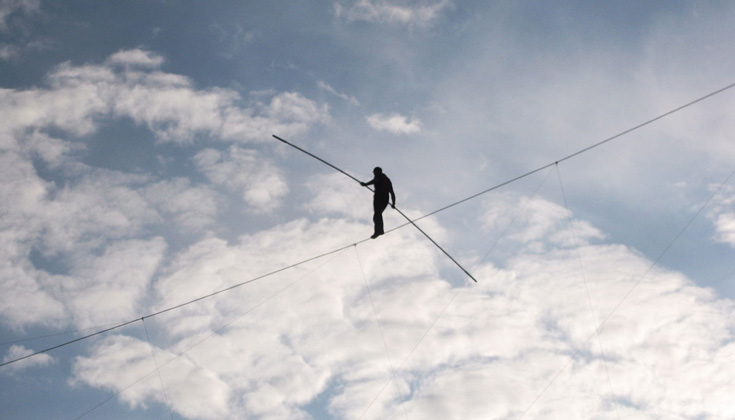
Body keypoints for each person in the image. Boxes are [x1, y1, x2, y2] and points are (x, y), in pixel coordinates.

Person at [360, 167, 396, 239]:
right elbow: (392, 193)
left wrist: (365, 184)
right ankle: (379, 230)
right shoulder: (386, 179)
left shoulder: (381, 177)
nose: (374, 174)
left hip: (380, 197)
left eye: (375, 172)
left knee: (377, 214)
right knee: (376, 215)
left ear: (378, 172)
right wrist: (393, 203)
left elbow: (375, 181)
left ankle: (378, 231)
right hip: (384, 198)